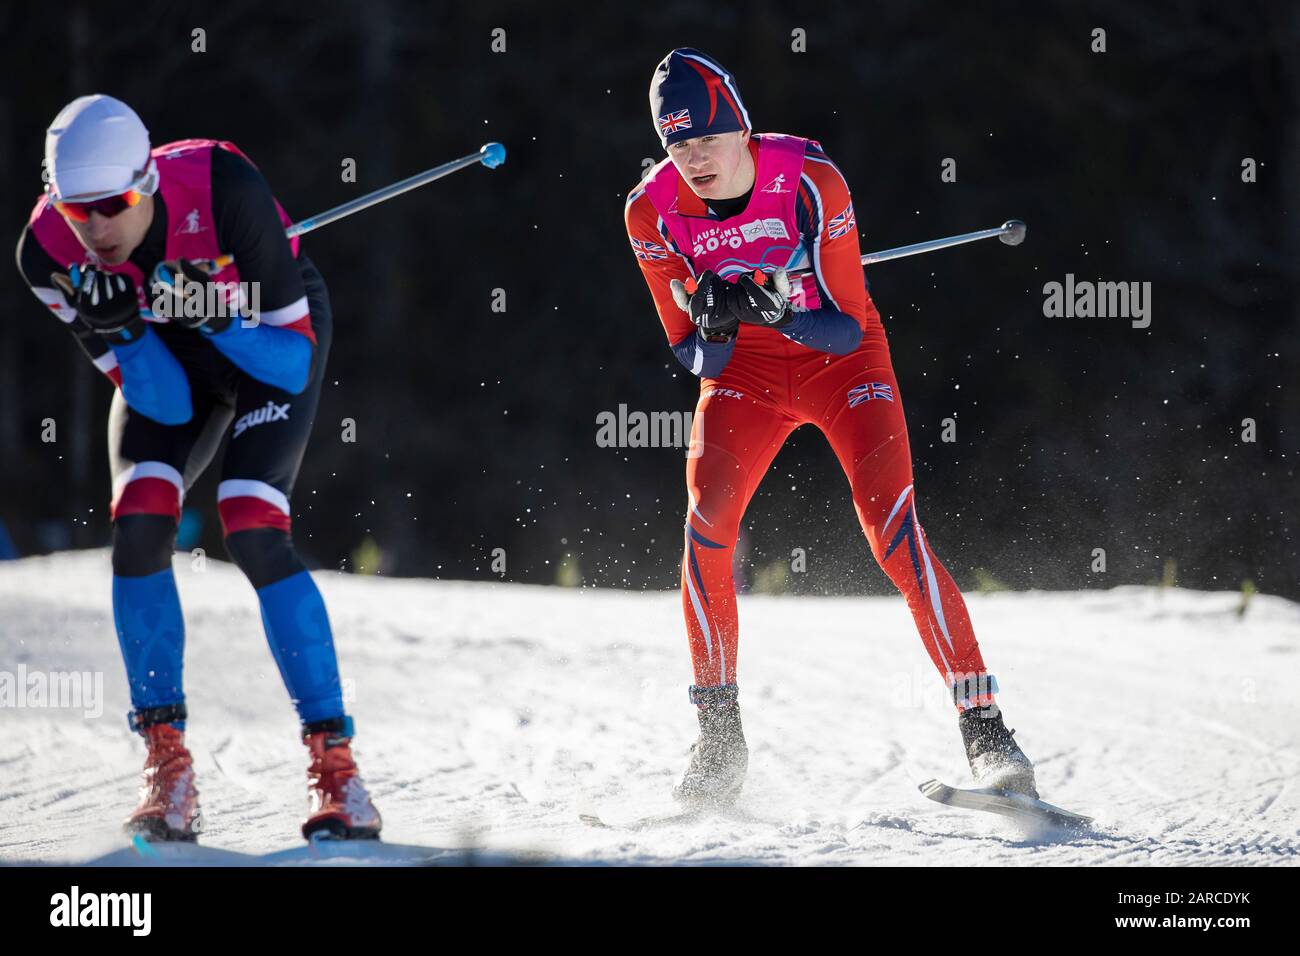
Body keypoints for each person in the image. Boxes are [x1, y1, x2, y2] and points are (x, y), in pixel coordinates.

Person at [624, 50, 1037, 808]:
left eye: (708, 142)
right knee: (706, 529)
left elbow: (846, 328)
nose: (695, 162)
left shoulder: (812, 182)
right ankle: (718, 741)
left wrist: (778, 307)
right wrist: (715, 319)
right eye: (678, 148)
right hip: (743, 375)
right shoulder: (650, 211)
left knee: (892, 530)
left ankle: (988, 733)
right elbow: (689, 351)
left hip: (841, 367)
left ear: (743, 131)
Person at [16, 94, 381, 842]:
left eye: (113, 205)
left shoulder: (224, 188)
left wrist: (219, 314)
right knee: (141, 518)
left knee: (249, 519)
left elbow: (290, 361)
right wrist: (119, 328)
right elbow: (167, 404)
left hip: (260, 341)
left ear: (146, 183)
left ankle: (337, 769)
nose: (97, 229)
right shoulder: (46, 253)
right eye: (77, 210)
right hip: (168, 360)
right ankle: (167, 762)